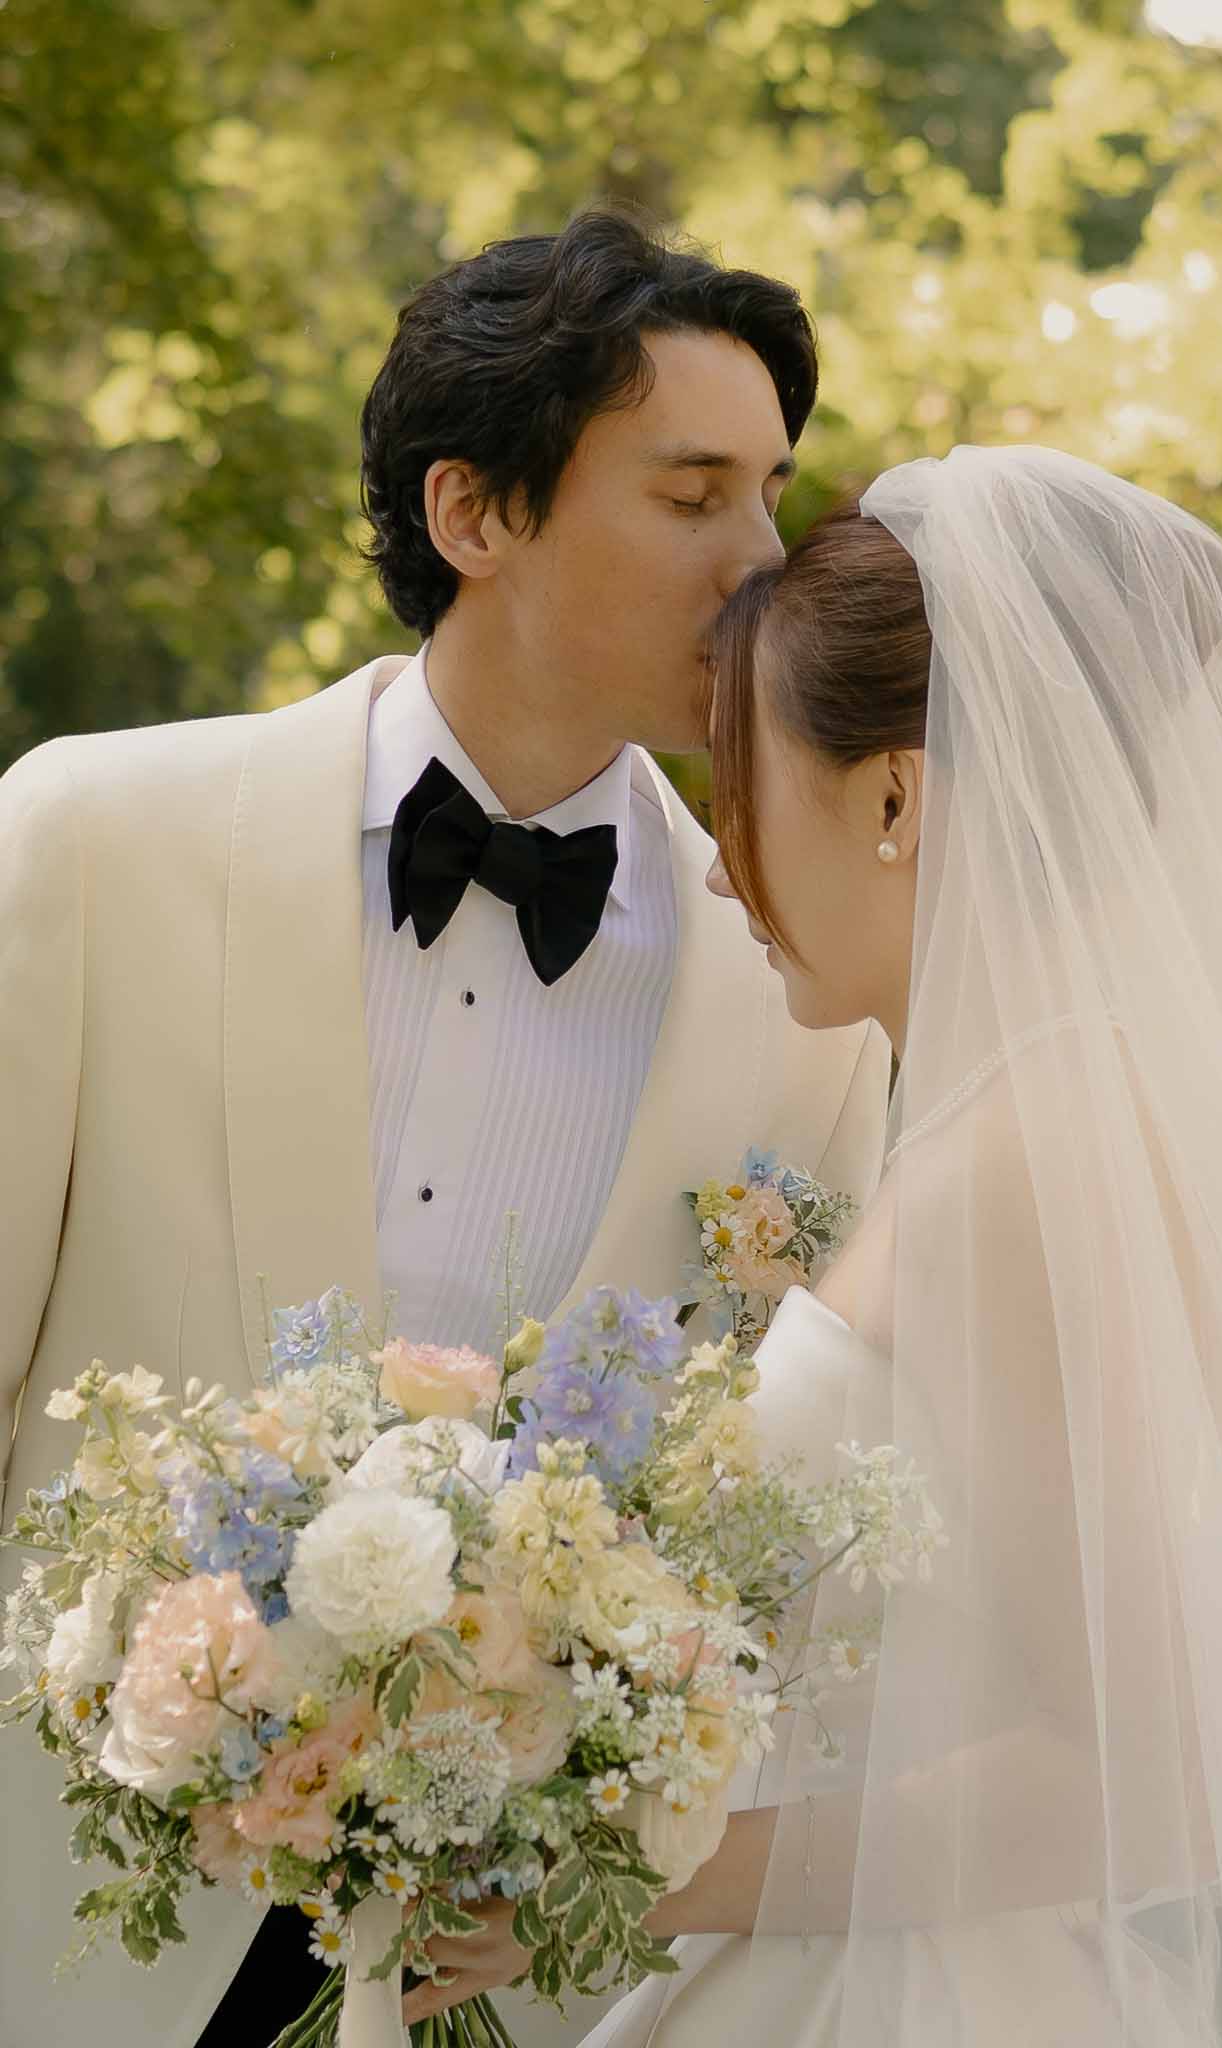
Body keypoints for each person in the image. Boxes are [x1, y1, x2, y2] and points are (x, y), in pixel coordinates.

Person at [0, 210, 891, 2048]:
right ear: (472, 513)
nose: (762, 563)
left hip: (531, 1980)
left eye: (772, 494)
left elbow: (798, 1541)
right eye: (693, 494)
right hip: (61, 1924)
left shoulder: (799, 989)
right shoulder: (92, 841)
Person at [431, 442, 1222, 2048]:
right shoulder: (1021, 1107)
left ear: (890, 793)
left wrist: (617, 1869)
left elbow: (1127, 1769)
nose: (721, 859)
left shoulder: (1027, 1153)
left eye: (744, 786)